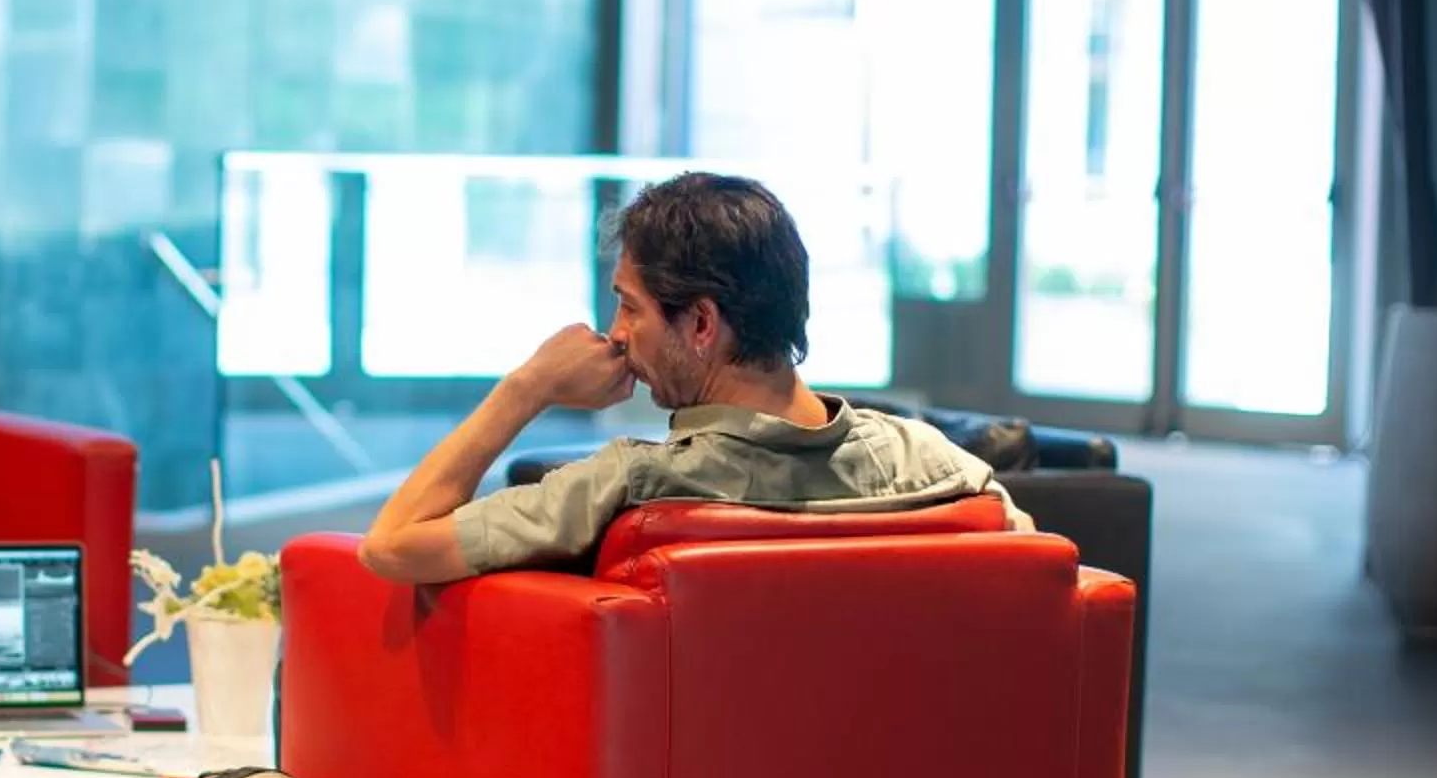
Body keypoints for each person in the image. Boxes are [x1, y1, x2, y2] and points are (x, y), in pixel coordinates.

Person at [359, 171, 1028, 583]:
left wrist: (527, 386)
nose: (616, 333)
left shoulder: (631, 484)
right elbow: (1043, 581)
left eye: (629, 306)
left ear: (702, 324)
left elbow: (390, 547)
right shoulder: (935, 464)